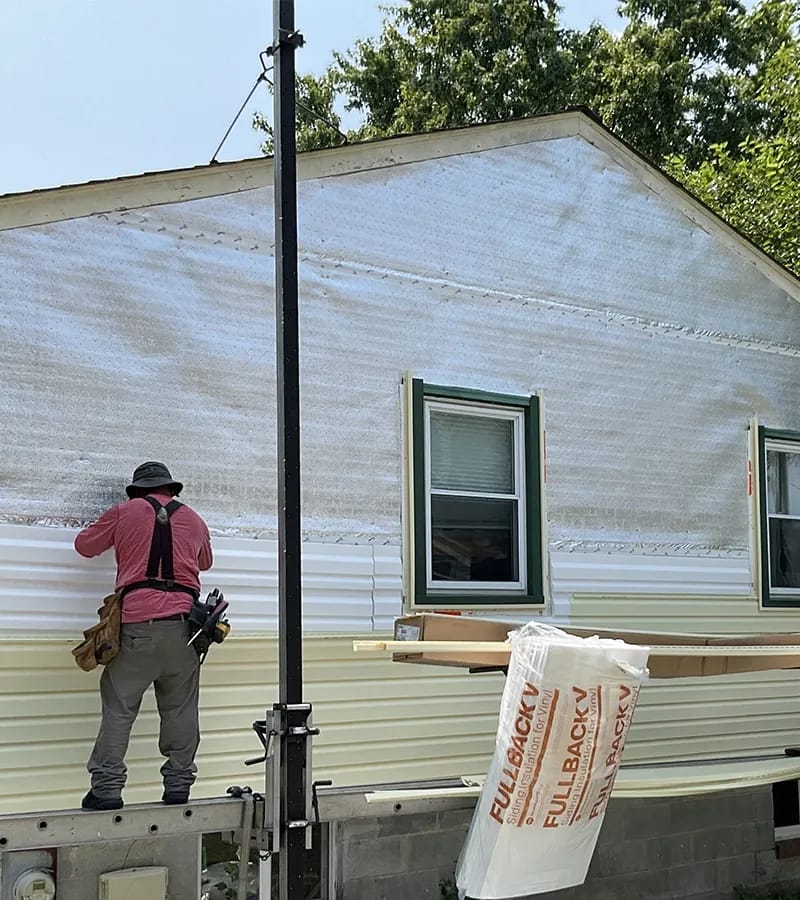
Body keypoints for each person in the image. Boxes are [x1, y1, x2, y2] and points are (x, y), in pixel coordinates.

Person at [74, 461, 213, 811]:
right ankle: (178, 788)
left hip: (138, 627)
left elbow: (84, 546)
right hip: (186, 630)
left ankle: (106, 790)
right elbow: (206, 562)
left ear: (138, 489)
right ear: (171, 489)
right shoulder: (195, 519)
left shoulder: (126, 511)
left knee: (119, 707)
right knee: (181, 710)